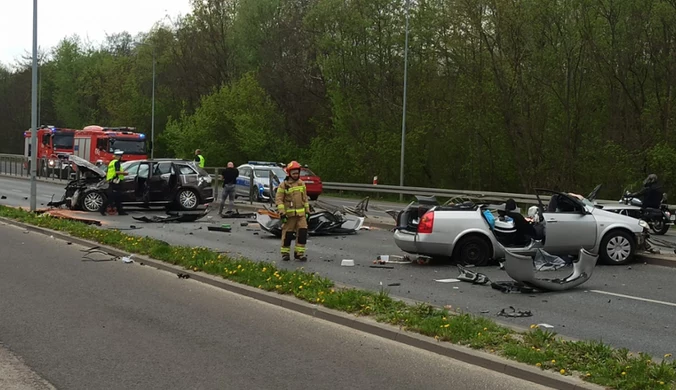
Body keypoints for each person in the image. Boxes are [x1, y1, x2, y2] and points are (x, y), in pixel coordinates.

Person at [274, 160, 310, 261]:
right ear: (289, 173)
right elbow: (279, 200)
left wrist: (307, 212)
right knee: (288, 234)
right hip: (289, 215)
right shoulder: (283, 185)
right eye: (294, 173)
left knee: (303, 233)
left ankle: (299, 253)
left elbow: (305, 199)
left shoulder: (301, 184)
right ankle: (285, 253)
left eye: (297, 173)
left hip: (301, 214)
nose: (296, 175)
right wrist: (282, 213)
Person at [99, 150, 129, 216]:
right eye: (121, 156)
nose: (122, 158)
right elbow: (117, 172)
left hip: (112, 181)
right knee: (112, 197)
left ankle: (121, 211)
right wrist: (125, 173)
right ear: (119, 156)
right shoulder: (116, 162)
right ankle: (102, 209)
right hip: (116, 182)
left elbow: (108, 172)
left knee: (118, 197)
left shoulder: (111, 162)